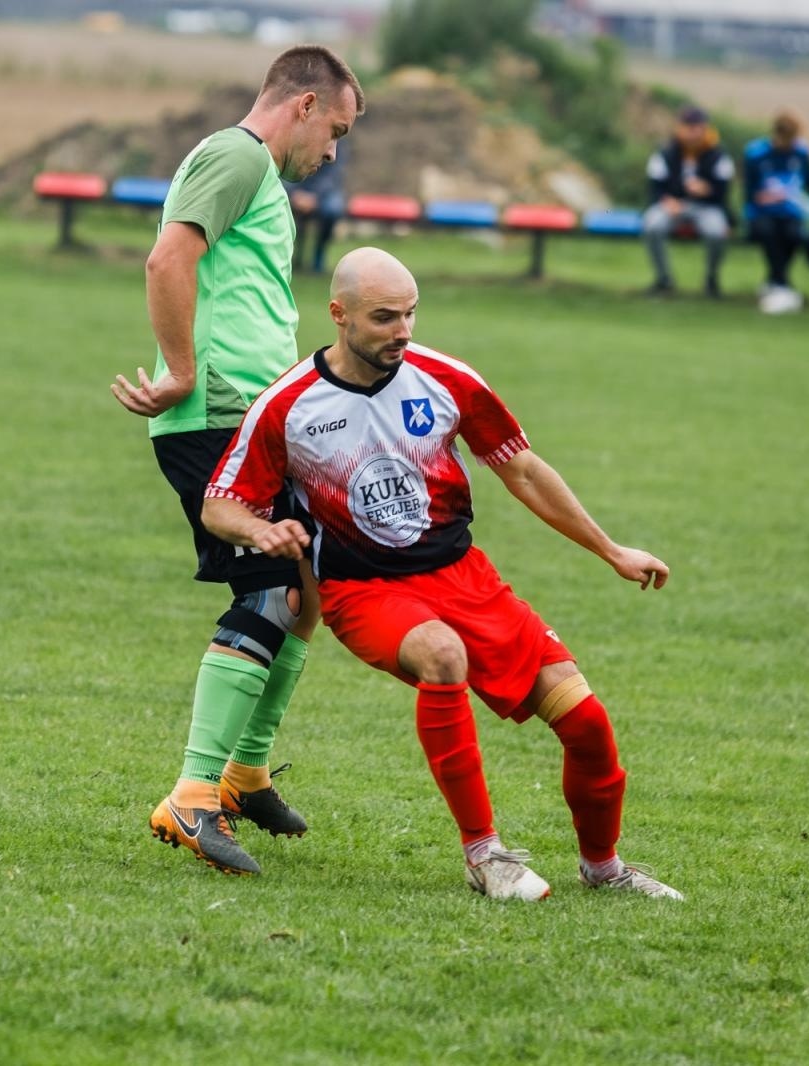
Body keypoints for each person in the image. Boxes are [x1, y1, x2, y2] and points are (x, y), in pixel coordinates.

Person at [201, 247, 684, 902]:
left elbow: (523, 470)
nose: (401, 331)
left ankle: (605, 869)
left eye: (409, 315)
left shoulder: (446, 380)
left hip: (465, 578)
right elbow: (219, 503)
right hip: (364, 590)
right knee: (442, 655)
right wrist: (261, 530)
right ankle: (484, 855)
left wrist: (611, 550)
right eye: (383, 318)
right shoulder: (289, 405)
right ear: (338, 315)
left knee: (588, 724)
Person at [111, 45, 364, 877]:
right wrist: (183, 372)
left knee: (304, 585)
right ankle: (192, 796)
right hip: (214, 414)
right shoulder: (235, 154)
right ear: (303, 105)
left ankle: (244, 773)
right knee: (268, 584)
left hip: (253, 417)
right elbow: (168, 258)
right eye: (336, 129)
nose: (334, 151)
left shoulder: (255, 171)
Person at [743, 108, 809, 314]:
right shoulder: (755, 153)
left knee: (795, 234)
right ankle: (780, 283)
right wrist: (764, 197)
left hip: (791, 212)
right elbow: (750, 192)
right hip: (761, 213)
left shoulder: (802, 152)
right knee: (769, 232)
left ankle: (777, 282)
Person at [643, 105, 735, 298]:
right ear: (680, 128)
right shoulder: (666, 153)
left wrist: (707, 190)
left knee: (716, 232)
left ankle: (711, 279)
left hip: (707, 207)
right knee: (652, 224)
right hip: (672, 205)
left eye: (697, 127)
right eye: (688, 126)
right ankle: (663, 279)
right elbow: (655, 187)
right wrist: (668, 201)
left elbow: (723, 193)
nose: (693, 132)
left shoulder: (718, 155)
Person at [284, 142, 346, 274]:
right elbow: (283, 168)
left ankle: (319, 252)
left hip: (324, 193)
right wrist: (294, 193)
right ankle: (292, 254)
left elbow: (333, 175)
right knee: (281, 203)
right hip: (296, 188)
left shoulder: (337, 141)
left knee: (333, 210)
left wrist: (314, 196)